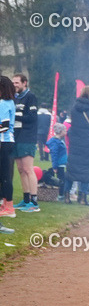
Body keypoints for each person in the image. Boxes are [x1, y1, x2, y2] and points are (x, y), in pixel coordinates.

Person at [12, 74, 40, 212]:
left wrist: (15, 115)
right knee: (21, 169)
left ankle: (34, 202)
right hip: (16, 136)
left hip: (27, 137)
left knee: (29, 169)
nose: (14, 85)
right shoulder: (14, 98)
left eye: (17, 82)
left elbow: (32, 117)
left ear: (24, 83)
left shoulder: (31, 97)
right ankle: (26, 199)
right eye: (13, 82)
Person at [0, 76, 17, 223]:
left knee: (5, 175)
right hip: (7, 141)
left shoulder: (4, 103)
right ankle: (5, 204)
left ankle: (9, 207)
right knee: (4, 175)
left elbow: (4, 126)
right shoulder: (10, 102)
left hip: (3, 141)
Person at [46, 123, 69, 203]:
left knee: (62, 178)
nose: (66, 132)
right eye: (64, 130)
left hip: (62, 163)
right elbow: (54, 154)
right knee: (61, 180)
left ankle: (61, 194)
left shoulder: (59, 141)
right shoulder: (56, 142)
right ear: (60, 131)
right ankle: (60, 195)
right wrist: (55, 166)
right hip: (59, 164)